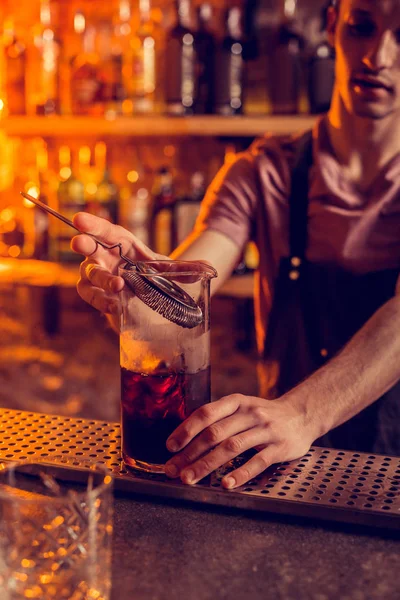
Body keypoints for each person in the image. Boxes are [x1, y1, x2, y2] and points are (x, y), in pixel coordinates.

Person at [72, 0, 400, 490]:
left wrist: (302, 413)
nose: (380, 56)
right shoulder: (264, 170)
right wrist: (146, 290)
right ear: (332, 25)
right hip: (282, 469)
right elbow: (194, 283)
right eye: (362, 27)